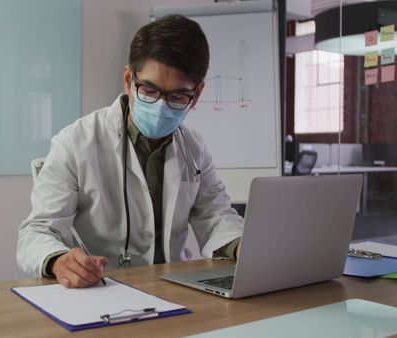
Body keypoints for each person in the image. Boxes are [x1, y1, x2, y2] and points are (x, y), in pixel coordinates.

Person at [17, 15, 244, 288]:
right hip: (102, 290)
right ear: (128, 80)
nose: (160, 107)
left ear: (196, 95)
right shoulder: (75, 142)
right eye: (149, 90)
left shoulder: (194, 147)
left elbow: (216, 216)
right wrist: (58, 259)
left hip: (175, 287)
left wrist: (242, 246)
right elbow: (38, 231)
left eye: (177, 96)